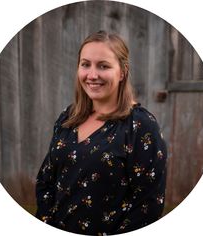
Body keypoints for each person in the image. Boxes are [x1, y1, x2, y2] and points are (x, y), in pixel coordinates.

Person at [35, 30, 167, 235]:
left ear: (122, 72)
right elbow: (46, 180)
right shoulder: (68, 117)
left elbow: (147, 205)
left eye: (103, 66)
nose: (92, 75)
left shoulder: (140, 126)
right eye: (85, 64)